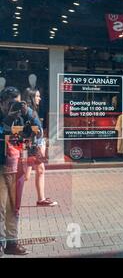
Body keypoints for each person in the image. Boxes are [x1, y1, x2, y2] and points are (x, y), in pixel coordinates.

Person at [0, 87, 29, 256]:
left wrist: (27, 114)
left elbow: (35, 132)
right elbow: (2, 132)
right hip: (1, 165)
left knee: (13, 207)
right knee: (0, 208)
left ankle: (12, 243)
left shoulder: (20, 116)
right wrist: (8, 119)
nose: (14, 107)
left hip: (16, 165)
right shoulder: (6, 116)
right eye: (10, 104)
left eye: (17, 103)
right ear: (2, 102)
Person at [22, 88, 57, 207]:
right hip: (32, 147)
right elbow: (28, 131)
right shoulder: (28, 112)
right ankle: (10, 198)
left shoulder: (32, 111)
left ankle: (41, 199)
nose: (39, 98)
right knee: (24, 176)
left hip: (34, 146)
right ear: (31, 97)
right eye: (37, 96)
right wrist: (38, 144)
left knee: (39, 171)